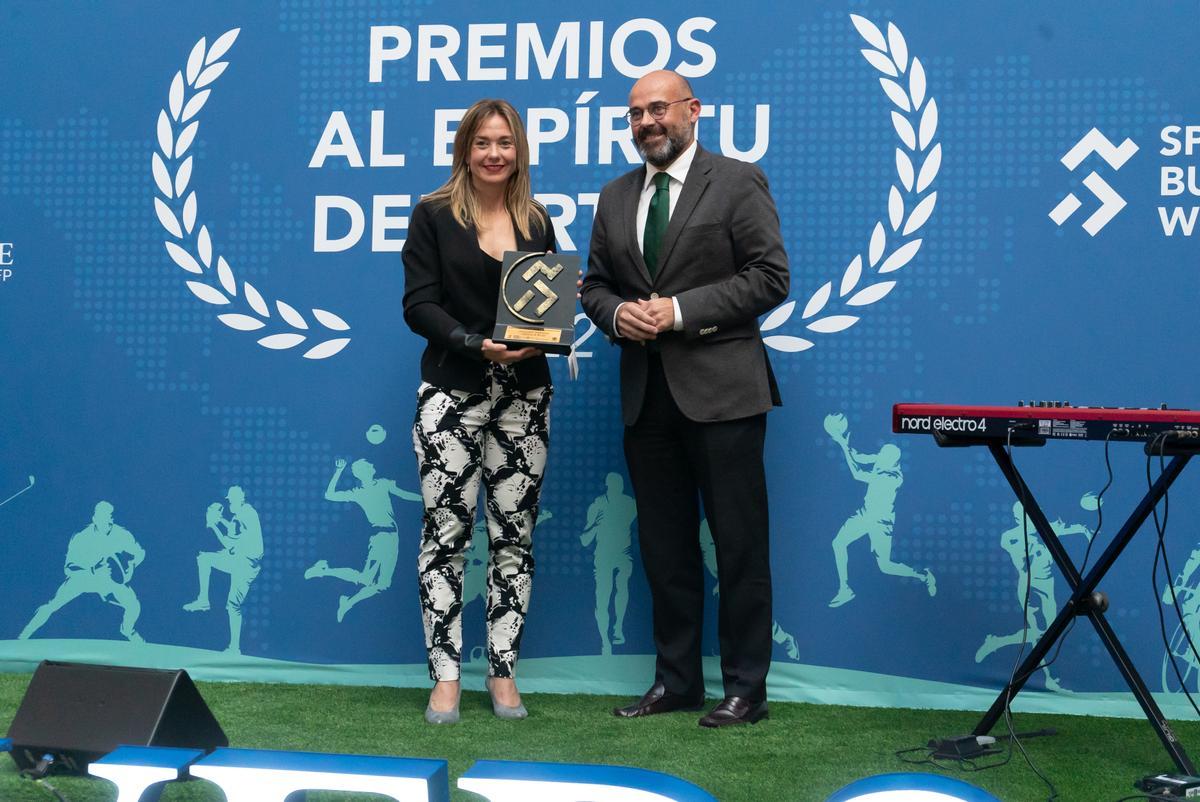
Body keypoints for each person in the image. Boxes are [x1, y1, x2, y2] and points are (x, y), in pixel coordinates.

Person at [581, 70, 790, 727]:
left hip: (725, 395)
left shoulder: (736, 180)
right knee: (665, 550)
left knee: (739, 548)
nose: (647, 122)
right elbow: (592, 286)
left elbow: (769, 276)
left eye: (659, 109)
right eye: (636, 113)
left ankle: (745, 691)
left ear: (693, 111)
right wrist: (617, 316)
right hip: (647, 400)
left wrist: (676, 311)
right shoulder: (614, 196)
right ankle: (676, 683)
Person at [402, 98, 555, 724]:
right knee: (446, 537)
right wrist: (472, 343)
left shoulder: (538, 221)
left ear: (520, 151)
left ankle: (502, 672)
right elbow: (418, 305)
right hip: (451, 395)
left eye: (506, 142)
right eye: (483, 142)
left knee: (513, 538)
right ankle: (445, 676)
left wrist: (543, 335)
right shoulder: (434, 215)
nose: (496, 153)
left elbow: (548, 310)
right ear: (465, 148)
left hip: (526, 398)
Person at [823, 413, 935, 608]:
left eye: (882, 457)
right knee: (838, 543)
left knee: (885, 566)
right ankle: (845, 589)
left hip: (880, 523)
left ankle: (922, 575)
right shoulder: (884, 460)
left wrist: (842, 445)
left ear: (891, 462)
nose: (878, 458)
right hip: (865, 514)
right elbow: (860, 457)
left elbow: (857, 474)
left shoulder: (891, 478)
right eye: (880, 455)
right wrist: (846, 444)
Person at [304, 458, 421, 622]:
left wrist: (427, 500)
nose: (374, 465)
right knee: (367, 579)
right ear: (363, 472)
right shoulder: (357, 492)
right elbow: (329, 495)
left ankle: (347, 602)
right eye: (369, 465)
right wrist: (339, 470)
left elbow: (404, 494)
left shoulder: (383, 483)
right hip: (381, 538)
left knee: (382, 585)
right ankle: (324, 570)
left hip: (393, 537)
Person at [20, 500, 145, 642]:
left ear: (112, 518)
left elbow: (140, 553)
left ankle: (128, 630)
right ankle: (23, 635)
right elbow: (69, 568)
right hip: (82, 579)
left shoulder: (122, 534)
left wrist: (132, 566)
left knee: (133, 605)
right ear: (94, 518)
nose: (106, 519)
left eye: (109, 516)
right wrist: (92, 569)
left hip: (109, 581)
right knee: (51, 605)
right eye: (101, 515)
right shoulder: (81, 536)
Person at [183, 486, 265, 654]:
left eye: (232, 500)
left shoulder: (246, 514)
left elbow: (229, 542)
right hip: (238, 559)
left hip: (246, 566)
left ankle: (235, 648)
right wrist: (219, 520)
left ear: (241, 499)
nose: (229, 503)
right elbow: (233, 532)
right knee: (204, 558)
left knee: (232, 605)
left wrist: (213, 525)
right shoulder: (242, 515)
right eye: (229, 500)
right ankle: (203, 600)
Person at [580, 473, 637, 655]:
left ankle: (618, 628)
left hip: (624, 555)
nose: (615, 487)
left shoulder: (630, 503)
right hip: (603, 557)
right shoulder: (597, 505)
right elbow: (584, 540)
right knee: (602, 598)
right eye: (612, 484)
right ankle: (605, 642)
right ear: (606, 485)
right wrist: (596, 525)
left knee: (622, 587)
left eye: (618, 484)